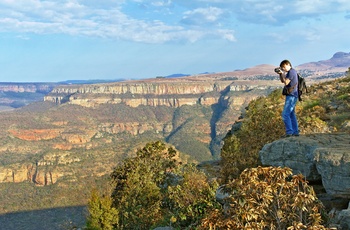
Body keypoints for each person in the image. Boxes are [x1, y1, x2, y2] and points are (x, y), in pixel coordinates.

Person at [276, 60, 299, 137]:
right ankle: (295, 132)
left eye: (284, 67)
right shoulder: (290, 72)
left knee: (285, 114)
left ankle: (289, 132)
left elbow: (286, 82)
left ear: (288, 65)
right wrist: (280, 74)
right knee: (291, 114)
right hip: (292, 95)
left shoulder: (291, 72)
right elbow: (283, 81)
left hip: (292, 96)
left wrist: (282, 73)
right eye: (282, 67)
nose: (283, 68)